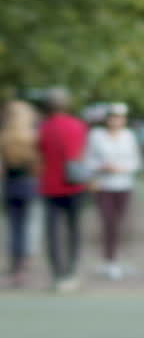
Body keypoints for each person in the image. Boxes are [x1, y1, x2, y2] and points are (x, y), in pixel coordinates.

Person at [36, 87, 89, 293]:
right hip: (74, 184)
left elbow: (40, 153)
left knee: (53, 232)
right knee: (74, 229)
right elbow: (80, 152)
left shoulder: (44, 127)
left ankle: (57, 273)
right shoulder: (78, 125)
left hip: (51, 185)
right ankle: (71, 270)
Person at [85, 103, 141, 280]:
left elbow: (135, 162)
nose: (115, 121)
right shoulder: (96, 136)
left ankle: (121, 258)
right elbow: (88, 161)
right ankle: (110, 260)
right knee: (108, 223)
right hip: (104, 186)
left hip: (123, 185)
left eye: (118, 117)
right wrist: (102, 167)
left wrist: (121, 169)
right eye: (112, 117)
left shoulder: (128, 136)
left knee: (123, 223)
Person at [2, 99, 41, 288]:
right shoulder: (33, 137)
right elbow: (38, 165)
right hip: (29, 184)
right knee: (27, 226)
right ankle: (24, 266)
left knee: (14, 227)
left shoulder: (5, 137)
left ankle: (15, 266)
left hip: (11, 185)